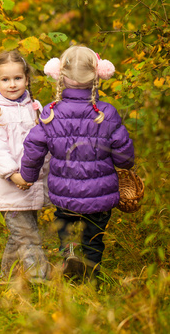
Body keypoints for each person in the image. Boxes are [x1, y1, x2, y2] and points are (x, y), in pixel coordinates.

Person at [19, 45, 135, 279]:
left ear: (59, 75)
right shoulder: (107, 113)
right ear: (98, 75)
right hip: (100, 194)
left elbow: (33, 148)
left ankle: (70, 256)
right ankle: (92, 277)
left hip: (64, 192)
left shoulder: (50, 113)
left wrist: (27, 177)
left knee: (66, 229)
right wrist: (124, 162)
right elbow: (124, 157)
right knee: (94, 237)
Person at [0, 50, 50, 282]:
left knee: (20, 234)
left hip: (31, 183)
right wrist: (13, 174)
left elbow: (43, 144)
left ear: (27, 79)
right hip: (10, 185)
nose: (12, 85)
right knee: (28, 236)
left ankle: (5, 277)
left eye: (17, 78)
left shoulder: (34, 108)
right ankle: (40, 282)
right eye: (5, 79)